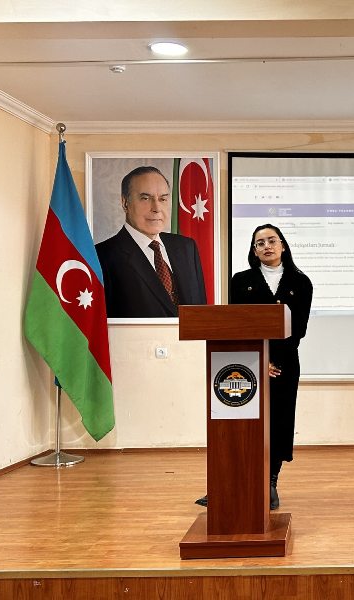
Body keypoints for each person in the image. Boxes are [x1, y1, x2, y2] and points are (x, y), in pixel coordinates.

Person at [196, 224, 312, 511]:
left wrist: (273, 361)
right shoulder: (241, 280)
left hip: (283, 365)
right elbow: (237, 324)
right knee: (241, 424)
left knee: (278, 422)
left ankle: (269, 482)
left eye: (271, 240)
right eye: (260, 243)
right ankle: (228, 484)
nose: (266, 246)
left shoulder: (301, 282)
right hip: (246, 365)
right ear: (254, 250)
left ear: (283, 245)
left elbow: (298, 329)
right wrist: (260, 361)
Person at [95, 166, 207, 317]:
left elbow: (201, 314)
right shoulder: (102, 257)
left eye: (163, 199)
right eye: (145, 198)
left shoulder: (187, 248)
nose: (156, 208)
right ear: (125, 203)